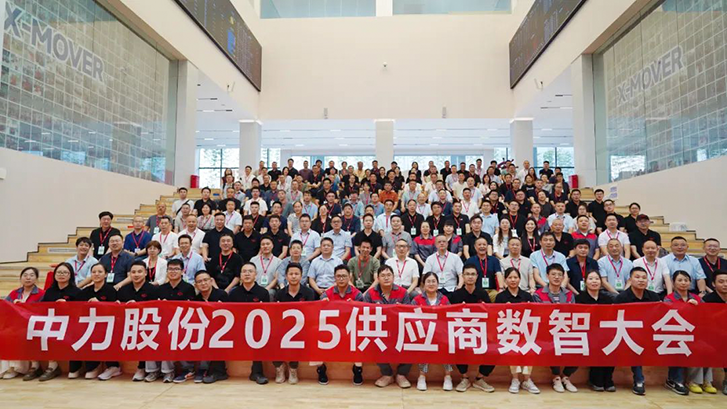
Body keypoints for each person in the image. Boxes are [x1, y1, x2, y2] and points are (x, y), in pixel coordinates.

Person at [614, 266, 661, 395]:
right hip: (627, 333)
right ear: (630, 280)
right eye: (637, 277)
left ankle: (675, 380)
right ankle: (639, 379)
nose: (641, 280)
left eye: (644, 278)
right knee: (636, 344)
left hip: (649, 332)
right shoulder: (622, 298)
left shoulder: (654, 296)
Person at [364, 266, 412, 388]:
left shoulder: (403, 292)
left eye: (389, 275)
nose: (386, 278)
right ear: (378, 278)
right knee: (372, 341)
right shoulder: (370, 294)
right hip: (379, 329)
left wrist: (400, 309)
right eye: (383, 276)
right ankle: (387, 374)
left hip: (400, 329)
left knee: (413, 340)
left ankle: (401, 374)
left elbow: (409, 314)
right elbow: (365, 314)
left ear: (393, 277)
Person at [493, 267, 540, 394]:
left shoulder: (527, 296)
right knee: (512, 347)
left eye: (515, 277)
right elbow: (495, 316)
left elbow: (533, 314)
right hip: (508, 332)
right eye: (510, 278)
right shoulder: (500, 297)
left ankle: (527, 380)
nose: (513, 280)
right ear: (505, 280)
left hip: (525, 332)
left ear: (520, 279)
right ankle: (515, 379)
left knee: (530, 347)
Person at [532, 264, 577, 393]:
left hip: (566, 330)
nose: (556, 277)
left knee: (581, 346)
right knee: (552, 344)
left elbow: (573, 313)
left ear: (563, 277)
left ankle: (566, 376)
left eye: (559, 275)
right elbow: (538, 315)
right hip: (546, 330)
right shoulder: (538, 294)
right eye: (553, 274)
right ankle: (556, 377)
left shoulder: (569, 294)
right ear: (547, 276)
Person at [319, 265, 365, 385]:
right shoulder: (326, 294)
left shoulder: (357, 295)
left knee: (360, 335)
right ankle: (321, 369)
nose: (341, 279)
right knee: (315, 334)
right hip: (331, 328)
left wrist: (355, 305)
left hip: (351, 327)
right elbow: (318, 313)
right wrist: (323, 305)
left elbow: (363, 314)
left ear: (349, 277)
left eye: (344, 276)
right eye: (338, 276)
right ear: (334, 278)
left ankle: (357, 369)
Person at [150, 259, 195, 383]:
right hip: (163, 323)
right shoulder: (161, 289)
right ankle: (155, 370)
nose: (173, 271)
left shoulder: (188, 288)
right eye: (170, 269)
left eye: (176, 269)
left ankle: (184, 369)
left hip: (182, 324)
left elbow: (191, 308)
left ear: (182, 271)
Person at [227, 262, 270, 384]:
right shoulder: (233, 293)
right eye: (244, 271)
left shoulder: (263, 293)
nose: (247, 274)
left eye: (250, 271)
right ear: (240, 275)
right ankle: (217, 371)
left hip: (256, 329)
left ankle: (257, 373)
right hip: (237, 327)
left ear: (256, 274)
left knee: (259, 336)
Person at [273, 263, 317, 384]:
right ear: (286, 276)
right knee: (272, 337)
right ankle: (279, 367)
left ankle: (293, 369)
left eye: (296, 274)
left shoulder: (309, 292)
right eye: (291, 274)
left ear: (301, 276)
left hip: (302, 326)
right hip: (283, 327)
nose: (293, 276)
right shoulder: (280, 294)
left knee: (297, 337)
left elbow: (311, 313)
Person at [38, 263, 81, 381]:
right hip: (51, 323)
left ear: (70, 275)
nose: (62, 275)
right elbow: (40, 308)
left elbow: (81, 310)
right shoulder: (49, 291)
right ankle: (49, 366)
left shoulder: (77, 292)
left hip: (71, 324)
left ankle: (74, 367)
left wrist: (67, 306)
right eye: (59, 272)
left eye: (65, 272)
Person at [410, 272, 453, 391]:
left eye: (434, 281)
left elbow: (450, 316)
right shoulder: (417, 299)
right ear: (423, 284)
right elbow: (411, 316)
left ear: (438, 284)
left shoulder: (444, 299)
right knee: (424, 344)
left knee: (448, 344)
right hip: (423, 333)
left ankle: (448, 376)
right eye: (428, 281)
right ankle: (422, 376)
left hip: (441, 333)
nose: (431, 284)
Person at [118, 261, 160, 382]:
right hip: (127, 324)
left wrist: (138, 306)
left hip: (147, 324)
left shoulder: (153, 290)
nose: (136, 274)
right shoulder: (123, 290)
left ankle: (142, 367)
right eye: (133, 272)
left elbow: (156, 309)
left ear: (145, 273)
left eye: (140, 272)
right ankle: (113, 366)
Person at [664, 270, 704, 395]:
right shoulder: (668, 298)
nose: (683, 283)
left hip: (694, 333)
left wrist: (698, 308)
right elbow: (668, 316)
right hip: (675, 333)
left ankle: (701, 381)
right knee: (677, 347)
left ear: (690, 282)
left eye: (686, 280)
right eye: (680, 280)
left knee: (706, 348)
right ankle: (676, 380)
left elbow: (706, 315)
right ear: (673, 283)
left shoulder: (697, 298)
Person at [1, 267, 44, 380]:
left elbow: (42, 311)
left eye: (31, 275)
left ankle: (16, 368)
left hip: (33, 325)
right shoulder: (14, 293)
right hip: (14, 324)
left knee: (19, 334)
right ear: (20, 278)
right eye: (25, 275)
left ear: (36, 279)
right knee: (4, 334)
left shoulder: (41, 293)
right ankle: (6, 368)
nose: (28, 278)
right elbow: (4, 307)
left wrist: (25, 307)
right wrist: (14, 306)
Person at [575, 270, 615, 392]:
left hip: (605, 331)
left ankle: (608, 379)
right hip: (587, 332)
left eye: (597, 279)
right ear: (585, 282)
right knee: (597, 345)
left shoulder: (607, 298)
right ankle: (596, 380)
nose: (594, 281)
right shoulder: (580, 298)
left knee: (612, 345)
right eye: (591, 279)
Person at [702, 270, 727, 395]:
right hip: (712, 335)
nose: (725, 284)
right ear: (713, 284)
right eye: (721, 282)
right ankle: (705, 381)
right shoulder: (707, 300)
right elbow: (704, 322)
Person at [465, 236, 504, 302]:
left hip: (491, 291)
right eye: (479, 245)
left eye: (484, 244)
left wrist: (501, 288)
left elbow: (499, 274)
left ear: (487, 246)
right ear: (475, 247)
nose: (482, 246)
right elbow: (466, 275)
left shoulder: (494, 260)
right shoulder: (470, 261)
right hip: (475, 291)